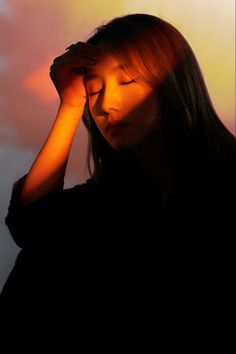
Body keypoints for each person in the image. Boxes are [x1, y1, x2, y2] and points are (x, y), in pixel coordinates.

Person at [1, 13, 235, 353]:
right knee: (40, 263)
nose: (106, 104)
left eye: (126, 82)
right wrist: (69, 105)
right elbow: (32, 227)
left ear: (171, 85)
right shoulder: (114, 197)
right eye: (94, 90)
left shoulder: (224, 180)